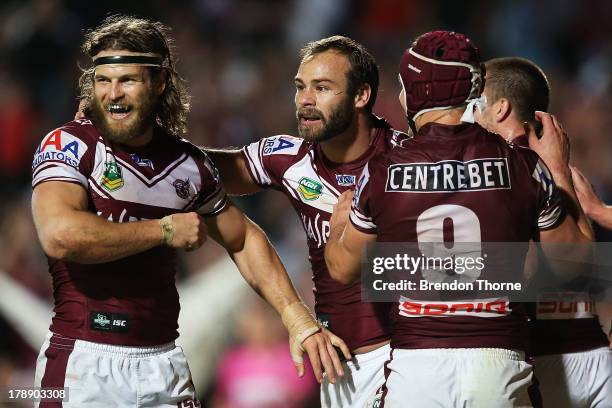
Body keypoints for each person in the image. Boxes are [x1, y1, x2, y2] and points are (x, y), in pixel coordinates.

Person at [31, 15, 345, 407]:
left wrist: (296, 318)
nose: (113, 94)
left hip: (165, 362)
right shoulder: (70, 144)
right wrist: (162, 231)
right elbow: (60, 234)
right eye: (103, 81)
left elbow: (244, 237)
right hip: (84, 363)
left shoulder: (187, 165)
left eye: (127, 80)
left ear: (159, 81)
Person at [325, 30, 592, 407]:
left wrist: (338, 224)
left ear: (419, 91)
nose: (400, 97)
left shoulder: (382, 171)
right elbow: (571, 264)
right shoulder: (522, 165)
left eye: (404, 86)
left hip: (419, 366)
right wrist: (559, 170)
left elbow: (342, 267)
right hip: (498, 363)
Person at [205, 36, 407, 407]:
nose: (305, 100)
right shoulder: (288, 159)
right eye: (300, 87)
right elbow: (196, 172)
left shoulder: (406, 161)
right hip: (339, 367)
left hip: (406, 358)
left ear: (361, 96)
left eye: (323, 88)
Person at [474, 56, 611, 408]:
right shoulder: (571, 174)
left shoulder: (493, 180)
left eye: (474, 101)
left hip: (537, 362)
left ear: (499, 108)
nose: (466, 113)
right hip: (595, 359)